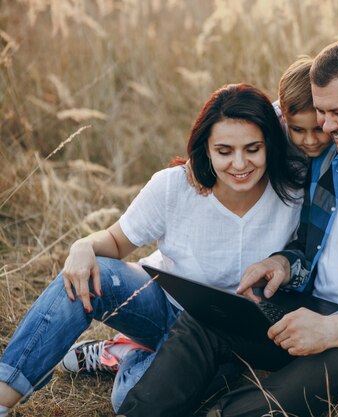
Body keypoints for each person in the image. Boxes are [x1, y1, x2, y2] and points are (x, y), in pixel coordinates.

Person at [117, 40, 338, 417]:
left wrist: (332, 331)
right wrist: (283, 264)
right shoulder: (328, 150)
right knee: (206, 318)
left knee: (263, 405)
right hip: (307, 311)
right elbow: (308, 244)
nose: (326, 126)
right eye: (321, 112)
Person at [0, 83, 306, 416]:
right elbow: (117, 242)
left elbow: (300, 100)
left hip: (230, 333)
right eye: (224, 151)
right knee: (83, 277)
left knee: (127, 399)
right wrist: (83, 245)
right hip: (163, 305)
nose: (239, 163)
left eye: (252, 148)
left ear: (270, 145)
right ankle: (4, 395)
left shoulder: (293, 191)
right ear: (206, 148)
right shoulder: (175, 186)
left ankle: (126, 353)